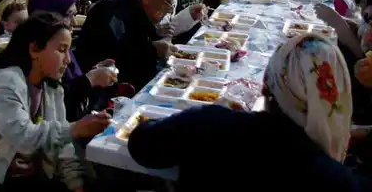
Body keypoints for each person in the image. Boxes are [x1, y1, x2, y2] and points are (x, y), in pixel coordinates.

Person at [128, 34, 366, 192]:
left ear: (269, 83)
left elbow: (142, 144)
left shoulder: (210, 124)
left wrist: (218, 117)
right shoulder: (338, 180)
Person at [0, 12, 111, 191]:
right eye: (62, 50)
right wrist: (75, 129)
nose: (68, 60)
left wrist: (76, 184)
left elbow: (62, 147)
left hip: (26, 177)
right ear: (34, 49)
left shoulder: (51, 86)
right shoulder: (5, 82)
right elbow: (24, 137)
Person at [75, 0, 179, 88]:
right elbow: (115, 59)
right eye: (167, 3)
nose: (169, 10)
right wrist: (152, 50)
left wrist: (157, 35)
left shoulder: (139, 9)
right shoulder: (110, 13)